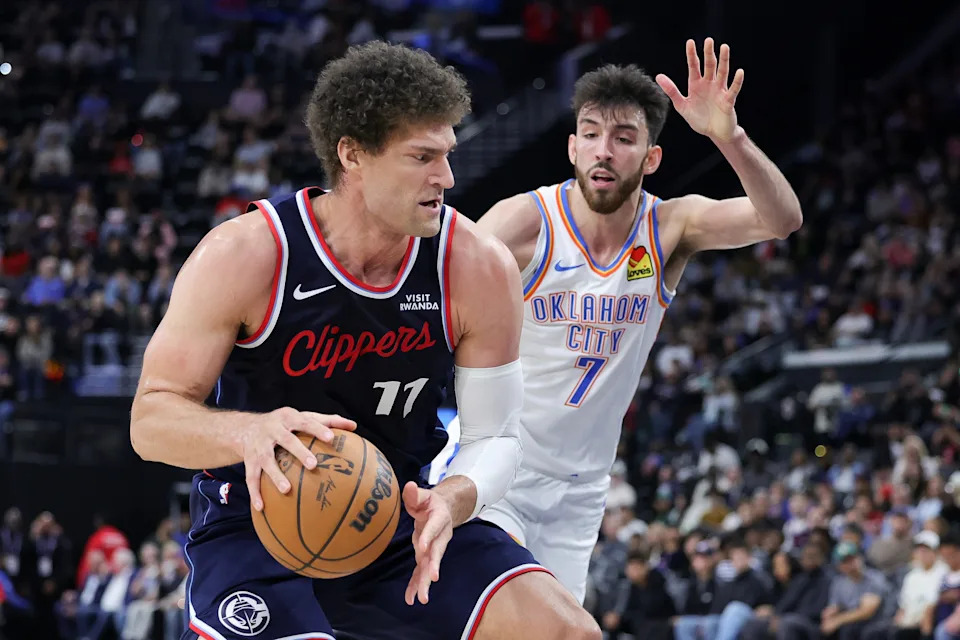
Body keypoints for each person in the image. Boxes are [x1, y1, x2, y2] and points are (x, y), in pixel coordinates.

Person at [130, 42, 600, 640]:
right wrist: (250, 431)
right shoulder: (248, 253)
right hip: (260, 527)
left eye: (448, 154)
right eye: (422, 157)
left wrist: (455, 497)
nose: (447, 177)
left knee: (568, 632)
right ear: (352, 154)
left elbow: (497, 436)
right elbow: (149, 421)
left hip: (398, 522)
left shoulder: (475, 265)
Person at [441, 37, 803, 601]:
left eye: (623, 137)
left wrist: (728, 137)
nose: (604, 150)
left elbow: (780, 218)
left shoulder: (670, 228)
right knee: (507, 617)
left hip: (583, 490)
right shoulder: (525, 221)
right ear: (572, 148)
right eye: (591, 134)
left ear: (651, 158)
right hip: (500, 468)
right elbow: (430, 292)